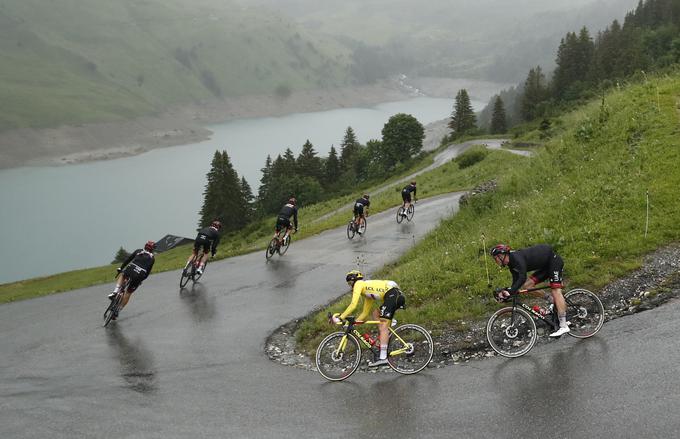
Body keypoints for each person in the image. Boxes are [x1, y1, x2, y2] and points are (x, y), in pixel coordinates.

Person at [491, 243, 570, 337]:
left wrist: (510, 291)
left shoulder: (516, 258)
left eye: (495, 258)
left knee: (556, 291)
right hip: (545, 266)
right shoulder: (511, 263)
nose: (495, 261)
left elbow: (522, 277)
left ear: (501, 256)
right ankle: (551, 300)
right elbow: (516, 282)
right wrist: (509, 292)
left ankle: (563, 325)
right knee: (527, 286)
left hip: (554, 262)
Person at [331, 270, 406, 367]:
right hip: (393, 295)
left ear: (354, 281)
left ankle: (383, 358)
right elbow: (365, 313)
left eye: (350, 283)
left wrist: (341, 317)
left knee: (383, 326)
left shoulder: (359, 284)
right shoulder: (367, 293)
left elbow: (353, 304)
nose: (350, 286)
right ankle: (383, 338)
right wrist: (353, 323)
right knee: (375, 313)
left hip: (393, 294)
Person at [108, 240, 156, 319]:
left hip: (131, 269)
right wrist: (141, 280)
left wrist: (121, 268)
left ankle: (115, 292)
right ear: (152, 249)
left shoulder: (138, 251)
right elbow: (147, 273)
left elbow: (128, 260)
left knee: (123, 275)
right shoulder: (152, 258)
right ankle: (118, 311)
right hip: (140, 275)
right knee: (128, 292)